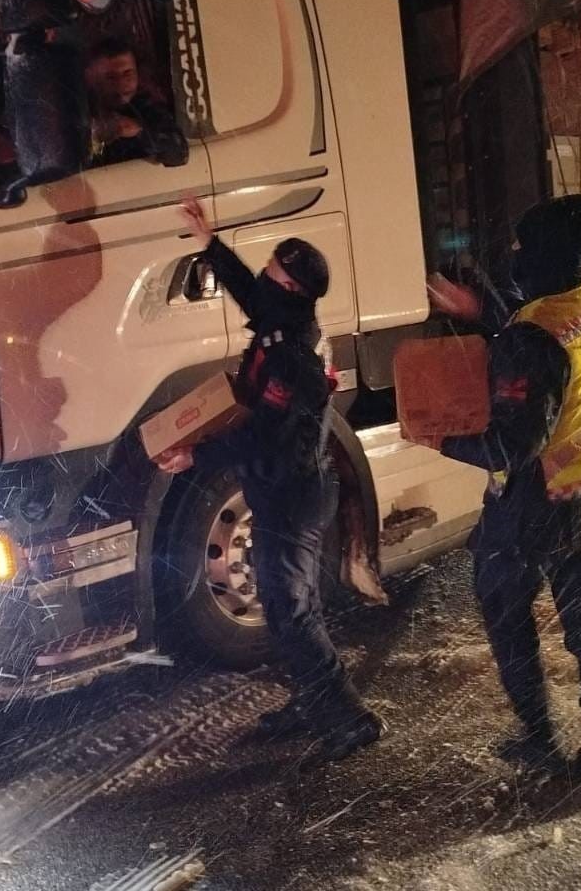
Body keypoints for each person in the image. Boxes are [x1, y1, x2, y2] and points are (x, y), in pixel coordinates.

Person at [154, 197, 384, 766]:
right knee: (285, 603)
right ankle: (310, 701)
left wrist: (196, 455)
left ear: (297, 291)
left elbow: (266, 438)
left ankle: (348, 717)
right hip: (277, 489)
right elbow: (248, 292)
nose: (265, 281)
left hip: (292, 495)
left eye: (276, 277)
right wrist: (210, 241)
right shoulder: (280, 323)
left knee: (291, 609)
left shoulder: (295, 359)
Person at [425, 194, 581, 796]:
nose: (514, 254)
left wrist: (437, 437)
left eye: (521, 246)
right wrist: (487, 311)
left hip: (539, 509)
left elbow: (509, 446)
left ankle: (539, 737)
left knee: (502, 608)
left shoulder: (535, 337)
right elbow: (543, 340)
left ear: (541, 253)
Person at [84, 38, 187, 168]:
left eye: (128, 73)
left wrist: (137, 130)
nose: (121, 83)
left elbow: (178, 153)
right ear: (90, 78)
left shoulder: (146, 107)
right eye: (110, 77)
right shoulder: (79, 108)